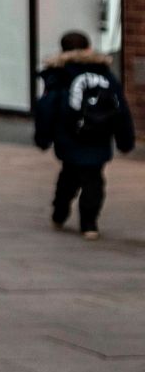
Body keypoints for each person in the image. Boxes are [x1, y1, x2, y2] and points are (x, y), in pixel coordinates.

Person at [34, 30, 135, 239]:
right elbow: (120, 108)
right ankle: (89, 224)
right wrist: (125, 140)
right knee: (94, 179)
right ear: (89, 48)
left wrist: (43, 138)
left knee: (69, 176)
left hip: (69, 137)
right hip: (99, 136)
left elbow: (47, 108)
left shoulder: (60, 73)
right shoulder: (104, 73)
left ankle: (60, 212)